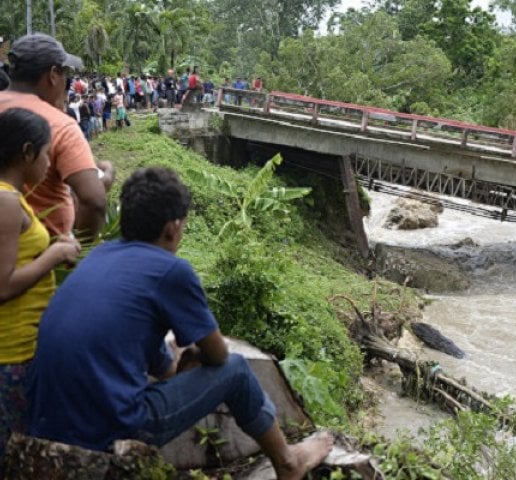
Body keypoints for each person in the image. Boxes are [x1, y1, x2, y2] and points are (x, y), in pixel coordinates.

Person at [29, 167, 333, 478]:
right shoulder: (170, 271)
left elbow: (143, 350)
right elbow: (220, 357)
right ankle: (288, 462)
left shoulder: (100, 255)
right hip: (111, 430)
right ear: (173, 227)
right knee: (237, 371)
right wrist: (194, 354)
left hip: (46, 427)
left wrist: (174, 361)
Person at [0, 108, 81, 475]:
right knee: (12, 452)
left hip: (20, 349)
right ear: (27, 151)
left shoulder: (12, 198)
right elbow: (3, 285)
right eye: (47, 154)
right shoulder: (5, 202)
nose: (50, 163)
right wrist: (56, 253)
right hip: (11, 353)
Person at [0, 33, 113, 239]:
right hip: (43, 254)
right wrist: (78, 246)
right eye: (64, 74)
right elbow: (94, 201)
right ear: (53, 75)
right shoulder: (59, 125)